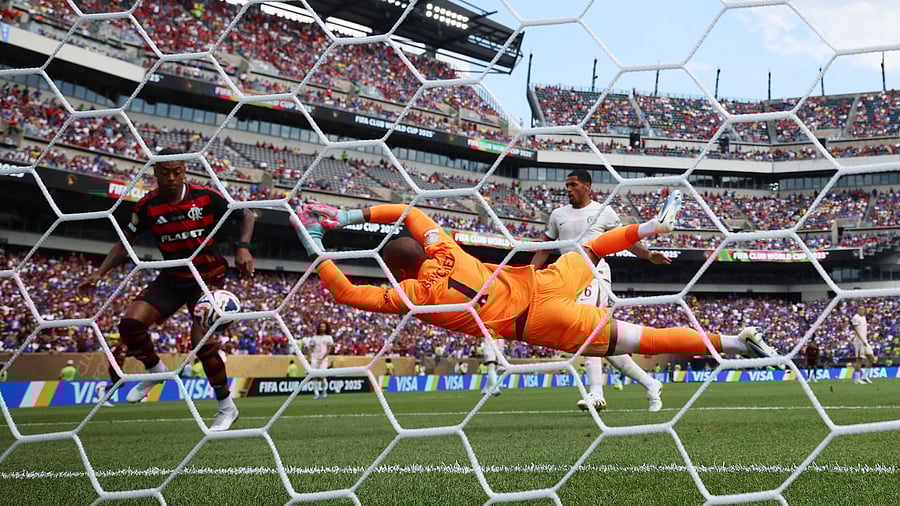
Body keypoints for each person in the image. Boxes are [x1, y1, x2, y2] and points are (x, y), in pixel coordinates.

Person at [295, 195, 776, 377]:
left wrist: (315, 245)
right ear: (423, 251)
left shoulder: (413, 297)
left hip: (539, 322)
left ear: (399, 272)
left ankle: (732, 342)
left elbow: (345, 294)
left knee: (639, 339)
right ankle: (652, 227)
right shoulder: (446, 251)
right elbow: (410, 213)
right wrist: (346, 217)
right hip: (542, 281)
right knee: (591, 250)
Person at [77, 148, 256, 431]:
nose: (171, 178)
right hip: (173, 276)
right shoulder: (147, 206)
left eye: (177, 172)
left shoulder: (206, 196)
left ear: (184, 171)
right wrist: (100, 272)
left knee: (202, 342)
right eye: (165, 172)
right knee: (130, 324)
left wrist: (243, 247)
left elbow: (247, 213)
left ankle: (226, 407)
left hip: (207, 276)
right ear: (155, 173)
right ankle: (155, 371)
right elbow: (126, 242)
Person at [530, 169, 666, 412]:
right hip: (567, 280)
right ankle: (650, 382)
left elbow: (625, 238)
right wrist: (528, 275)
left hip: (595, 276)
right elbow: (544, 249)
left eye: (573, 184)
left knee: (587, 330)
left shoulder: (604, 212)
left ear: (587, 186)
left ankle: (596, 393)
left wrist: (647, 255)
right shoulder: (557, 215)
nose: (568, 189)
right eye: (567, 185)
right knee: (604, 341)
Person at [850, 306, 877, 385]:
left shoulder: (864, 317)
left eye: (862, 309)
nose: (861, 310)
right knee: (859, 360)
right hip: (859, 342)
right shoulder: (856, 318)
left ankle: (865, 376)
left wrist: (865, 339)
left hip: (865, 341)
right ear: (857, 310)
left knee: (871, 358)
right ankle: (857, 379)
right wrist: (862, 340)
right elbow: (856, 330)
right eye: (860, 309)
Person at [308, 321, 334, 399]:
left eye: (324, 326)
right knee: (314, 376)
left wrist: (323, 358)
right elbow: (311, 348)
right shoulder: (315, 337)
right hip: (315, 358)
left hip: (323, 359)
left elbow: (329, 349)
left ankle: (324, 390)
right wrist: (309, 357)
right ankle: (316, 393)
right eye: (321, 326)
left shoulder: (329, 337)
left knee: (322, 376)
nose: (322, 328)